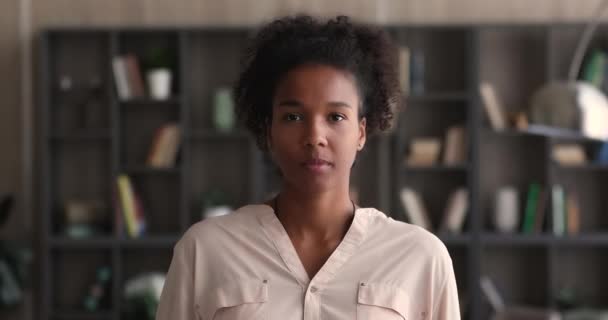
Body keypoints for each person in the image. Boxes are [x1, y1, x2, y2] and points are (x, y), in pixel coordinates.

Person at [155, 14, 460, 320]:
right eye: (293, 117)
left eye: (336, 117)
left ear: (362, 132)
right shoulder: (205, 251)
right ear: (268, 130)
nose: (315, 137)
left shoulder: (422, 257)